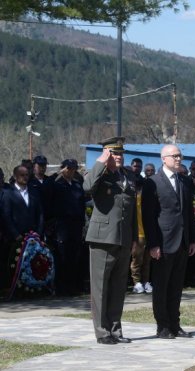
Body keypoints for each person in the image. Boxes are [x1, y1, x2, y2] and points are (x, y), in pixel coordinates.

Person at [83, 137, 137, 345]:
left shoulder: (128, 177)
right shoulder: (98, 173)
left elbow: (132, 210)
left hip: (123, 238)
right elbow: (87, 187)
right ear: (106, 154)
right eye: (114, 153)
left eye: (121, 153)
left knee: (118, 286)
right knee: (100, 288)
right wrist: (100, 162)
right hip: (102, 238)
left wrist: (132, 237)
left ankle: (115, 328)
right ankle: (102, 331)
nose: (119, 157)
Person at [142, 144, 195, 340]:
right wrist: (153, 244)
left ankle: (175, 323)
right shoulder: (153, 182)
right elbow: (148, 216)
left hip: (182, 241)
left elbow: (188, 212)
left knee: (176, 286)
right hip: (163, 242)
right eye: (174, 156)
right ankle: (162, 326)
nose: (178, 159)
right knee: (162, 286)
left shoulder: (183, 181)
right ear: (163, 158)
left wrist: (192, 239)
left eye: (180, 155)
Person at [52, 159, 86, 296]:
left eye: (73, 169)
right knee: (63, 256)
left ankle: (73, 285)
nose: (71, 171)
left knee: (74, 256)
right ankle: (61, 287)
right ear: (63, 168)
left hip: (76, 225)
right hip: (63, 225)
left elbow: (81, 204)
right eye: (68, 168)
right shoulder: (57, 184)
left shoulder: (77, 185)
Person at [2, 165, 44, 241]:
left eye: (27, 175)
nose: (25, 177)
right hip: (16, 238)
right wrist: (16, 234)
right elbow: (6, 216)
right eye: (22, 175)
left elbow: (40, 214)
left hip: (34, 237)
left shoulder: (34, 191)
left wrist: (38, 232)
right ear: (15, 177)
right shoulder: (8, 193)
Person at [130, 177, 152, 294]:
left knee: (147, 260)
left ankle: (146, 281)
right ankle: (136, 282)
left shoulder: (148, 199)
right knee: (137, 259)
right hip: (138, 233)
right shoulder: (134, 199)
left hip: (147, 233)